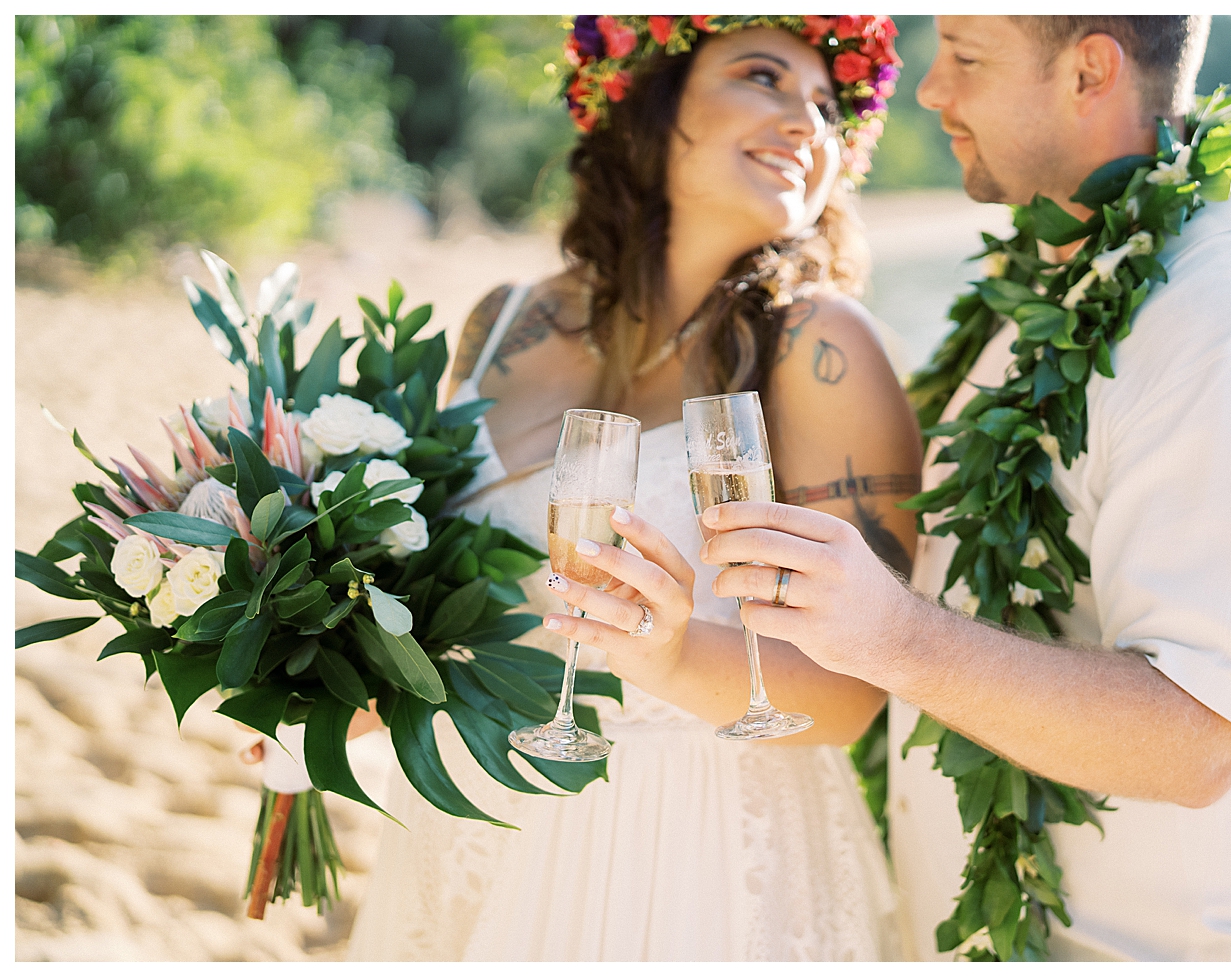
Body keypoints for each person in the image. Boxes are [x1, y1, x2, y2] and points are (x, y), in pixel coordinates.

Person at [696, 15, 1231, 962]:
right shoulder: (1059, 298)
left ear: (1089, 71)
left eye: (968, 60)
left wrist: (891, 633)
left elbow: (1202, 737)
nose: (931, 92)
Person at [345, 16, 921, 961]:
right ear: (651, 103)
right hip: (475, 818)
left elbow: (857, 700)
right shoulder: (507, 319)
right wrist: (334, 684)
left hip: (694, 849)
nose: (805, 124)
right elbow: (437, 596)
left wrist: (669, 654)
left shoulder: (821, 346)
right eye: (764, 78)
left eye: (826, 108)